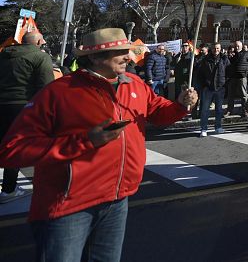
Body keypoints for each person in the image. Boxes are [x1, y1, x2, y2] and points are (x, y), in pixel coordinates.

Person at [0, 28, 197, 260]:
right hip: (68, 206)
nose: (128, 57)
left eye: (128, 51)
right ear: (93, 57)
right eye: (120, 52)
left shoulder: (134, 83)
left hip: (117, 200)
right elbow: (12, 149)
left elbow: (158, 112)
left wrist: (181, 105)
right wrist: (83, 141)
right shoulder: (59, 92)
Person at [0, 32, 54, 204]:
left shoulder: (4, 54)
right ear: (38, 41)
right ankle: (9, 190)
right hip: (22, 106)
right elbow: (46, 86)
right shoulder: (40, 57)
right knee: (15, 146)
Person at [197, 43, 230, 137]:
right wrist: (204, 85)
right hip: (208, 88)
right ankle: (203, 128)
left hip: (220, 87)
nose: (216, 50)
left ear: (220, 49)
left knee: (219, 109)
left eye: (218, 48)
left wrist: (224, 84)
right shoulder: (205, 59)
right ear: (211, 49)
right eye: (214, 48)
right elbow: (200, 74)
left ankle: (218, 127)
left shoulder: (224, 59)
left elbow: (228, 72)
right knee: (205, 109)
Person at [226, 40, 248, 117]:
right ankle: (229, 110)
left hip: (242, 77)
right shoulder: (232, 55)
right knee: (230, 94)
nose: (237, 47)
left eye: (238, 46)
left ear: (241, 46)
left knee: (244, 95)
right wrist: (229, 57)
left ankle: (245, 110)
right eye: (235, 46)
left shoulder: (247, 54)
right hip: (233, 77)